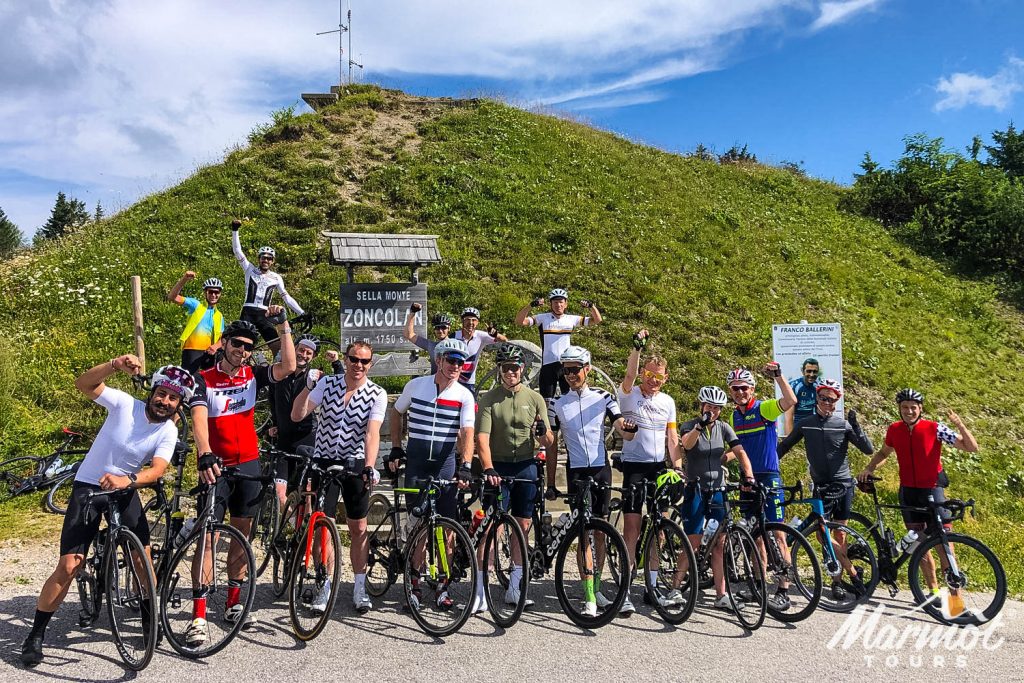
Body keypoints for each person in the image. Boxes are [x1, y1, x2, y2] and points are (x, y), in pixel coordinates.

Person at [21, 359, 190, 667]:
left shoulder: (167, 431)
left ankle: (150, 620)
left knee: (143, 560)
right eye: (161, 393)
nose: (164, 401)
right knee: (70, 566)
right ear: (152, 392)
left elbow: (157, 469)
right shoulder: (126, 405)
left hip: (124, 490)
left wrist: (128, 480)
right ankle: (35, 634)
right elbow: (84, 384)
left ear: (179, 404)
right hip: (88, 488)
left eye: (172, 397)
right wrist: (113, 365)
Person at [187, 310, 296, 643]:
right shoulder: (203, 378)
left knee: (241, 536)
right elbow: (199, 419)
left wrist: (282, 327)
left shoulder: (253, 375)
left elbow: (289, 366)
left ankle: (233, 603)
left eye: (248, 347)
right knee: (208, 538)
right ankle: (198, 615)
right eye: (237, 344)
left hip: (248, 463)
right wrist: (204, 454)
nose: (242, 350)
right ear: (224, 344)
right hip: (215, 466)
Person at [856, 388, 978, 609]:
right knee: (919, 543)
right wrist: (869, 468)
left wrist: (960, 426)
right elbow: (884, 453)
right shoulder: (894, 429)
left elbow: (971, 447)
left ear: (920, 409)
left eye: (913, 407)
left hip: (933, 491)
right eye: (905, 407)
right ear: (899, 409)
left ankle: (956, 600)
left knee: (945, 546)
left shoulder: (934, 428)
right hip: (909, 492)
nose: (909, 411)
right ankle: (931, 593)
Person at [291, 341, 388, 614]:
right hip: (324, 461)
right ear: (345, 359)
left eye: (364, 362)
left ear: (370, 364)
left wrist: (369, 466)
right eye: (354, 359)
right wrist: (309, 387)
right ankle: (325, 584)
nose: (358, 365)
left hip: (355, 463)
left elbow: (372, 433)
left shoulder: (376, 393)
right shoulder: (329, 384)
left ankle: (359, 585)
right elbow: (298, 414)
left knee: (358, 528)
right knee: (324, 525)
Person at [546, 345, 636, 618]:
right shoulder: (556, 404)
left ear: (587, 369)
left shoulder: (604, 397)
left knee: (601, 530)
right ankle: (587, 597)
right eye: (566, 370)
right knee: (583, 532)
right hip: (576, 473)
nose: (571, 375)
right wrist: (551, 482)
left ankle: (596, 587)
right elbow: (550, 444)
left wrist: (629, 431)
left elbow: (620, 426)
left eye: (575, 369)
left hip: (601, 470)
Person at [386, 337, 476, 610]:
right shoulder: (416, 386)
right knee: (419, 528)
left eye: (460, 363)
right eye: (451, 360)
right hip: (416, 465)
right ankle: (413, 585)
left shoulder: (464, 395)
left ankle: (443, 586)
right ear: (438, 360)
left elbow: (468, 432)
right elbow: (396, 412)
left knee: (446, 530)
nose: (455, 366)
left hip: (445, 465)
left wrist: (467, 466)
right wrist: (397, 447)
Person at [475, 343, 553, 612]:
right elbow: (481, 439)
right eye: (506, 368)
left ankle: (515, 585)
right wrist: (488, 468)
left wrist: (542, 432)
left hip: (525, 466)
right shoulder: (489, 399)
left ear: (522, 370)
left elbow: (550, 439)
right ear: (499, 370)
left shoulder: (535, 399)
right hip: (498, 466)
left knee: (523, 526)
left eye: (515, 368)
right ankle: (480, 589)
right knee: (490, 528)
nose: (511, 372)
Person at [778, 379, 873, 599]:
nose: (827, 403)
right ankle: (847, 575)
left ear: (837, 401)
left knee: (839, 533)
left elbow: (867, 449)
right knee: (823, 535)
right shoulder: (806, 423)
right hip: (821, 487)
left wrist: (856, 425)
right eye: (823, 398)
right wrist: (766, 466)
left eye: (832, 400)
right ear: (817, 398)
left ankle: (837, 581)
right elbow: (784, 446)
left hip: (844, 484)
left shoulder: (843, 424)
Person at [615, 330, 681, 615]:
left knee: (659, 529)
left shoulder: (668, 402)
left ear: (665, 379)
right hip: (634, 468)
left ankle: (652, 586)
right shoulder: (629, 396)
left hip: (658, 469)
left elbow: (673, 439)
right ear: (643, 373)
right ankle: (625, 589)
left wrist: (677, 467)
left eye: (659, 377)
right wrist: (636, 348)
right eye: (650, 375)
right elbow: (628, 377)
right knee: (632, 529)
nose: (653, 381)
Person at [724, 362, 797, 611]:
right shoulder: (735, 415)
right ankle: (759, 584)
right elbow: (740, 447)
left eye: (743, 388)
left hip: (768, 476)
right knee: (755, 535)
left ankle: (784, 589)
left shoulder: (763, 408)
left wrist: (778, 375)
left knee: (778, 533)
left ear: (752, 388)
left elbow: (790, 400)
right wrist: (722, 457)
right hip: (748, 478)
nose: (739, 392)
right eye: (734, 389)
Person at [675, 386, 755, 610]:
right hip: (696, 489)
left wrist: (748, 475)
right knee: (693, 541)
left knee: (720, 543)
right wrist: (700, 425)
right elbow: (687, 444)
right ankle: (673, 589)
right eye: (710, 407)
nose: (714, 411)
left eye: (718, 408)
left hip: (717, 491)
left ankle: (721, 595)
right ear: (702, 406)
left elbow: (740, 451)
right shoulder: (690, 425)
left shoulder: (724, 427)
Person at [515, 288, 601, 468]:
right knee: (545, 407)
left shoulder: (571, 319)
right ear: (551, 303)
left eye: (561, 301)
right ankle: (544, 446)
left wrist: (591, 307)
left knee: (570, 404)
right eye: (555, 301)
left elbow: (597, 320)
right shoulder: (543, 318)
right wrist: (530, 306)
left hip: (566, 367)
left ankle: (570, 442)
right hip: (548, 367)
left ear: (566, 304)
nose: (558, 304)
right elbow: (519, 321)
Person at [268, 335, 342, 505]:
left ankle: (301, 530)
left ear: (313, 357)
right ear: (294, 349)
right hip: (284, 439)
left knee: (307, 494)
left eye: (309, 353)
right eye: (301, 350)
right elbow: (273, 400)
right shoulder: (280, 372)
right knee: (280, 494)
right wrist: (274, 423)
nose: (304, 355)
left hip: (307, 437)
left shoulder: (316, 377)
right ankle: (286, 526)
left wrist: (336, 364)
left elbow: (341, 384)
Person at [230, 218, 304, 353]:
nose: (266, 260)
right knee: (240, 344)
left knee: (277, 347)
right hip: (248, 312)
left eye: (269, 258)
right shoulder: (249, 269)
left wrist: (302, 312)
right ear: (259, 259)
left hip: (264, 314)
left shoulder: (276, 277)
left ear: (273, 261)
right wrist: (235, 230)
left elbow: (286, 298)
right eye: (263, 257)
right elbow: (237, 251)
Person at [167, 271, 225, 374]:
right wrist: (185, 278)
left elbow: (222, 338)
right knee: (188, 381)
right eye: (210, 292)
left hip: (209, 353)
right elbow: (172, 297)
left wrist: (215, 346)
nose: (213, 295)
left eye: (216, 292)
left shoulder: (219, 315)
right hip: (192, 350)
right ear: (205, 293)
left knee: (207, 384)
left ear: (220, 294)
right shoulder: (196, 305)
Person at [453, 307, 506, 394]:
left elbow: (504, 340)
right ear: (462, 321)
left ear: (477, 322)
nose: (470, 323)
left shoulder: (481, 336)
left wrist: (495, 334)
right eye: (467, 320)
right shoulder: (454, 336)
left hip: (469, 382)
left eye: (474, 320)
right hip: (453, 380)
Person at [403, 303, 451, 374]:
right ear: (434, 329)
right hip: (434, 383)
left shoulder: (456, 345)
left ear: (449, 328)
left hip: (451, 384)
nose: (440, 331)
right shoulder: (431, 345)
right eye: (437, 328)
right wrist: (412, 312)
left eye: (443, 327)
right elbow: (409, 335)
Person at [785, 358, 820, 434]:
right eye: (808, 371)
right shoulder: (794, 386)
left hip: (813, 424)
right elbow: (789, 417)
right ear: (802, 371)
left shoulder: (819, 386)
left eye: (815, 372)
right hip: (797, 424)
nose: (811, 375)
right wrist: (789, 441)